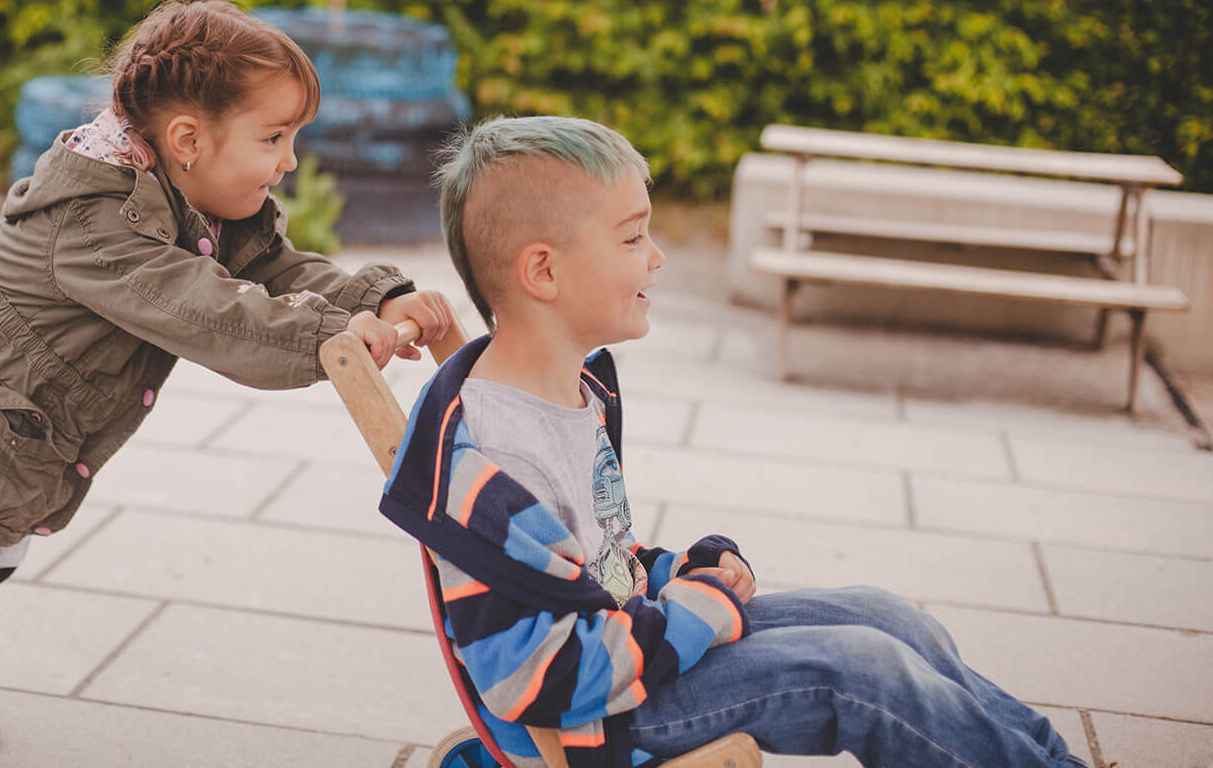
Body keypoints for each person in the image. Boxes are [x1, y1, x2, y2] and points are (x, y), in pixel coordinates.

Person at [0, 0, 453, 750]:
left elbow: (273, 268)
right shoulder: (96, 223)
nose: (289, 160)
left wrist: (373, 295)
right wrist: (331, 335)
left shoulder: (199, 198)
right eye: (274, 137)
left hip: (13, 411)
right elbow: (210, 310)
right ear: (186, 139)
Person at [378, 115, 1085, 768]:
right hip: (592, 721)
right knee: (862, 671)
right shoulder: (492, 466)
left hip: (634, 654)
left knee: (889, 617)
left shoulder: (568, 395)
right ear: (543, 272)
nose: (655, 257)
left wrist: (683, 567)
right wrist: (697, 610)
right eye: (631, 237)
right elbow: (530, 679)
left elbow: (601, 568)